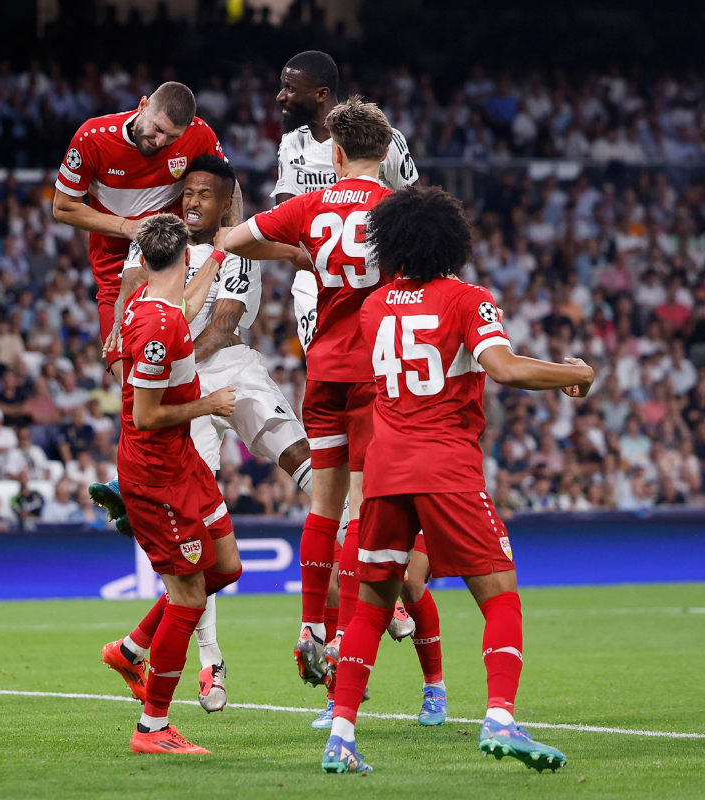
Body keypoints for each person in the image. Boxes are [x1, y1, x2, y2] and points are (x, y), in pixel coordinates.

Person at [322, 185, 591, 774]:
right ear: (452, 241)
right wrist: (574, 372)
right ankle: (499, 718)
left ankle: (340, 736)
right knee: (500, 596)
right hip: (446, 465)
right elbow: (503, 368)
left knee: (370, 605)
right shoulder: (467, 298)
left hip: (386, 470)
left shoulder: (372, 308)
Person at [229, 95, 442, 728]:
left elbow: (236, 240)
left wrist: (301, 256)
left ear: (337, 153)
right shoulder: (400, 211)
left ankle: (311, 631)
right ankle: (364, 667)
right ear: (386, 153)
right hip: (378, 376)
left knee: (323, 508)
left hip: (322, 370)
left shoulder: (311, 204)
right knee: (368, 522)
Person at [92, 155, 314, 712]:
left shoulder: (228, 250)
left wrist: (222, 252)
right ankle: (204, 669)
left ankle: (135, 645)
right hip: (174, 402)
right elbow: (127, 319)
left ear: (227, 202)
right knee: (193, 566)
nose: (191, 201)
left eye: (204, 193)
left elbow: (216, 323)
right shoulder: (155, 256)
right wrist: (145, 370)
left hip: (219, 368)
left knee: (235, 553)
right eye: (185, 191)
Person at [99, 213, 241, 755]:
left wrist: (222, 258)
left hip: (183, 465)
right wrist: (211, 403)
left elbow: (180, 306)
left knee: (225, 567)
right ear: (184, 257)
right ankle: (152, 728)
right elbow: (146, 415)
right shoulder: (158, 324)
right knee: (187, 598)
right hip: (157, 475)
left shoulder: (151, 302)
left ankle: (132, 649)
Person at [51, 82, 239, 384]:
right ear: (142, 106)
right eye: (157, 129)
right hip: (115, 269)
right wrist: (127, 227)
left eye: (172, 137)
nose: (160, 141)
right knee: (128, 380)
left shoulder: (199, 134)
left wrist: (230, 239)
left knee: (187, 374)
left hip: (176, 267)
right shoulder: (92, 138)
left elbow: (229, 187)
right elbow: (62, 208)